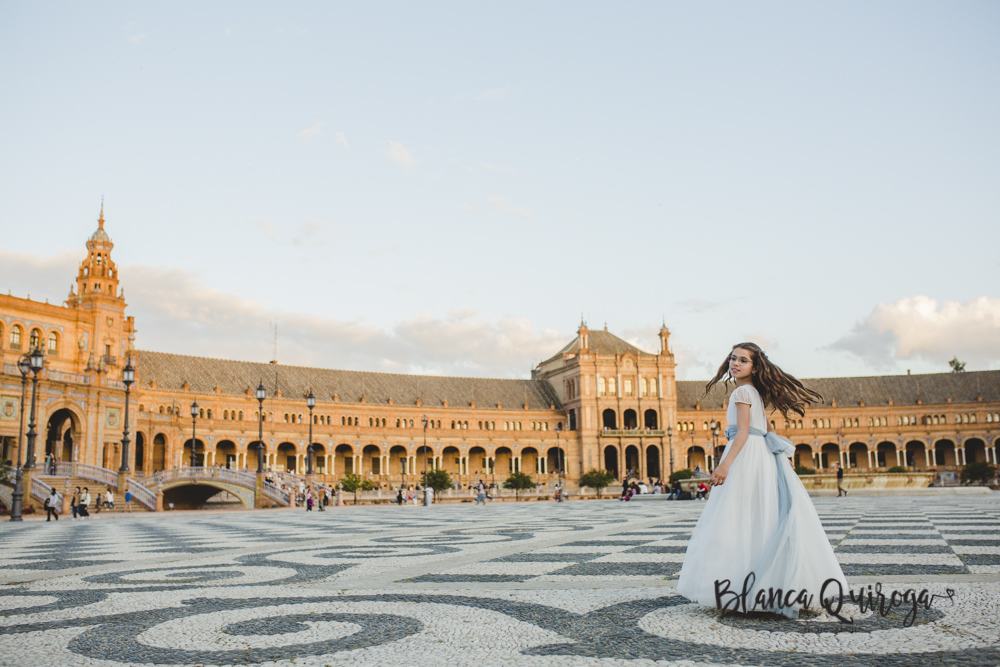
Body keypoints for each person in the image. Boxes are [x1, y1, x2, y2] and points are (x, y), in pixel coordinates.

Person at [677, 343, 848, 618]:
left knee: (740, 519)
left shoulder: (742, 391)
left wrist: (724, 465)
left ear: (754, 367)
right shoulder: (754, 392)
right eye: (733, 358)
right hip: (761, 457)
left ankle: (746, 588)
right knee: (764, 517)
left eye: (743, 360)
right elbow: (766, 427)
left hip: (746, 457)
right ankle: (772, 587)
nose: (735, 364)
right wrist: (779, 450)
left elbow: (743, 434)